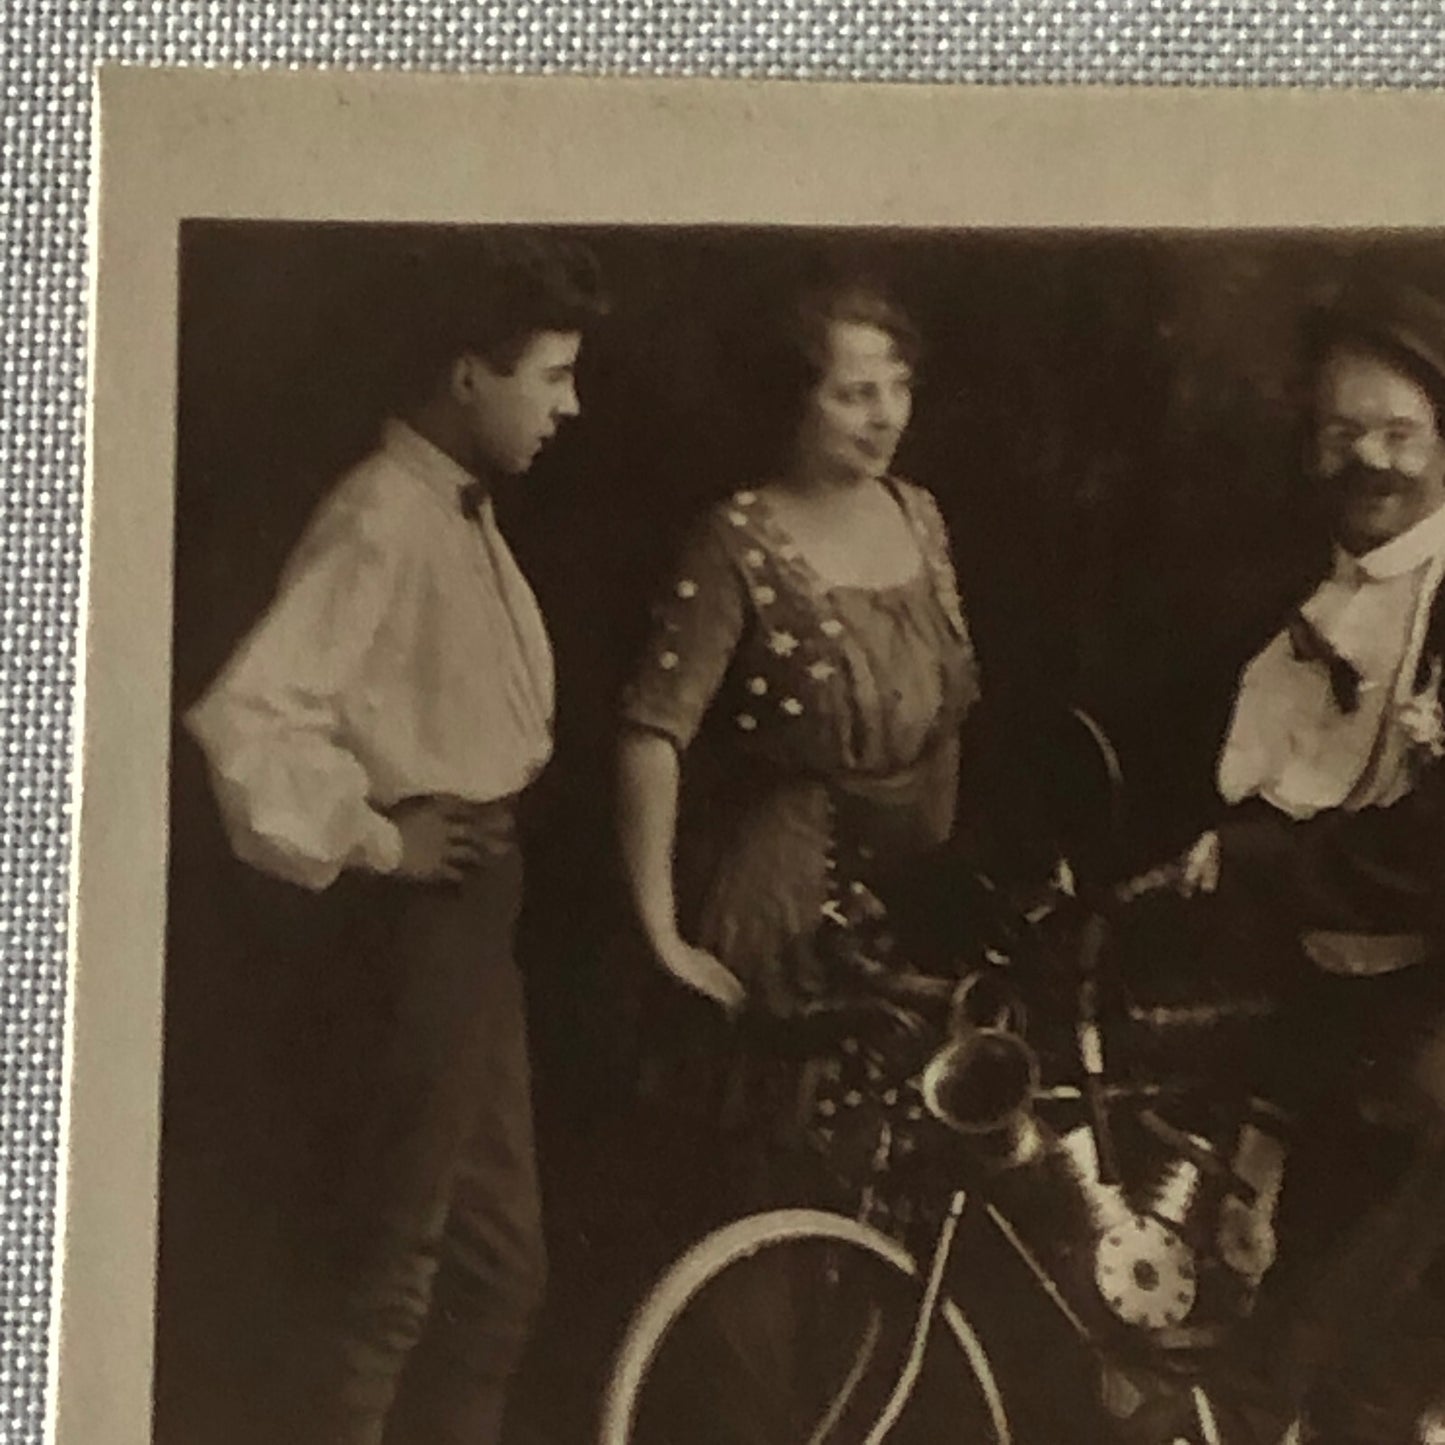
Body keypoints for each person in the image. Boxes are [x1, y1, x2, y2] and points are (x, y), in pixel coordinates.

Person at [184, 231, 608, 1445]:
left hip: (480, 911)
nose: (569, 406)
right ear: (468, 374)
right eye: (552, 375)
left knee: (497, 1272)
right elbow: (249, 721)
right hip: (420, 924)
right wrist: (380, 837)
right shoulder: (379, 514)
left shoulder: (452, 511)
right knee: (392, 1278)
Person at [1146, 276, 1445, 1443]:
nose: (1366, 458)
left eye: (1396, 432)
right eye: (1338, 432)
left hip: (1428, 1009)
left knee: (1341, 1348)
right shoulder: (1307, 592)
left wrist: (1259, 861)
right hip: (1333, 1000)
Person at [616, 274, 981, 1218]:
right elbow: (652, 731)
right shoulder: (735, 539)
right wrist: (661, 930)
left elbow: (942, 710)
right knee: (776, 1185)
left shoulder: (919, 515)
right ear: (793, 399)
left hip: (906, 906)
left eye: (897, 387)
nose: (885, 416)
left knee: (899, 1198)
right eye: (854, 393)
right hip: (778, 908)